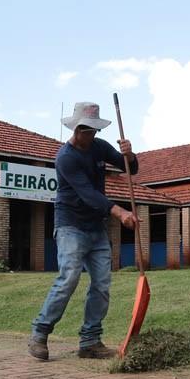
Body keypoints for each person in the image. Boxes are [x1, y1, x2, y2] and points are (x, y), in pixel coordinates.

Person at [28, 101, 139, 361]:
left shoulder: (99, 147)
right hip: (70, 225)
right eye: (87, 130)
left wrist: (129, 154)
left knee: (101, 284)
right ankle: (40, 333)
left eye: (95, 130)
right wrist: (120, 212)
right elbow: (88, 194)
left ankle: (90, 341)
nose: (92, 135)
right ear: (76, 129)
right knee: (69, 278)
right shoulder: (65, 157)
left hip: (96, 228)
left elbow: (130, 169)